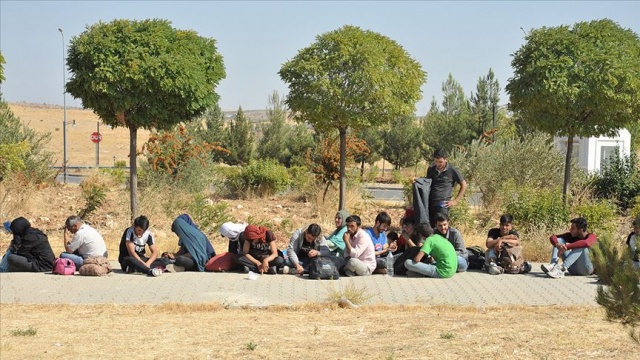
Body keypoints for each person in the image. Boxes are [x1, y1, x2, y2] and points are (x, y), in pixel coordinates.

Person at [425, 148, 468, 228]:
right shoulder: (431, 169)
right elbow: (427, 184)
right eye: (436, 161)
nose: (438, 164)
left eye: (440, 162)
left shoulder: (452, 170)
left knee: (442, 227)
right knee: (430, 228)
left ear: (446, 159)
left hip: (443, 205)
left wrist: (456, 200)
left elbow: (464, 184)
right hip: (430, 203)